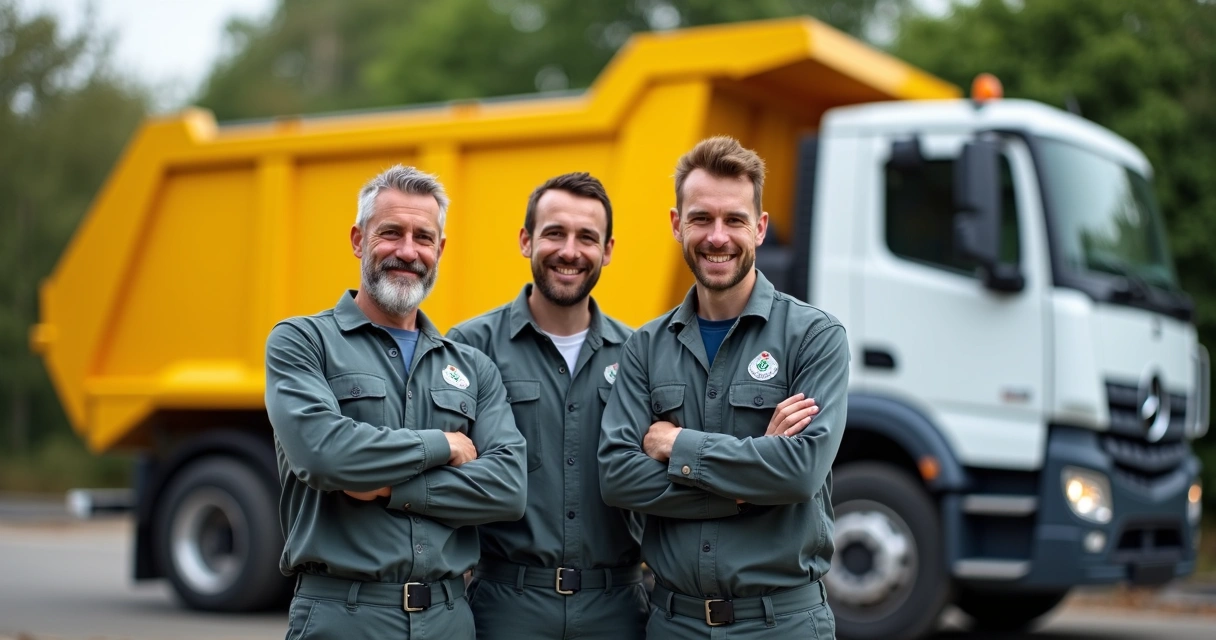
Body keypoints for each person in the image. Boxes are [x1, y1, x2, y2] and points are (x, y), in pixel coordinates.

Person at [598, 136, 847, 638]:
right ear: (676, 225)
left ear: (759, 228)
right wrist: (752, 481)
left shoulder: (815, 337)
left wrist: (676, 445)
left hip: (783, 624)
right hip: (674, 623)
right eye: (700, 219)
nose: (717, 237)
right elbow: (618, 477)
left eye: (734, 220)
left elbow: (799, 474)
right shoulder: (645, 346)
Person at [265, 164, 527, 640]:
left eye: (423, 237)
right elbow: (324, 455)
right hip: (343, 616)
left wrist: (389, 488)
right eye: (391, 233)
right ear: (358, 239)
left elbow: (507, 488)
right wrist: (444, 445)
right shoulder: (302, 342)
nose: (408, 251)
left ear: (440, 249)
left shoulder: (473, 367)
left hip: (450, 619)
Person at [447, 172, 648, 639]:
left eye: (587, 237)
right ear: (525, 240)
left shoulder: (641, 354)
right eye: (554, 232)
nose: (570, 251)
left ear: (609, 251)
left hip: (617, 608)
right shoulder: (469, 348)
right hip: (504, 606)